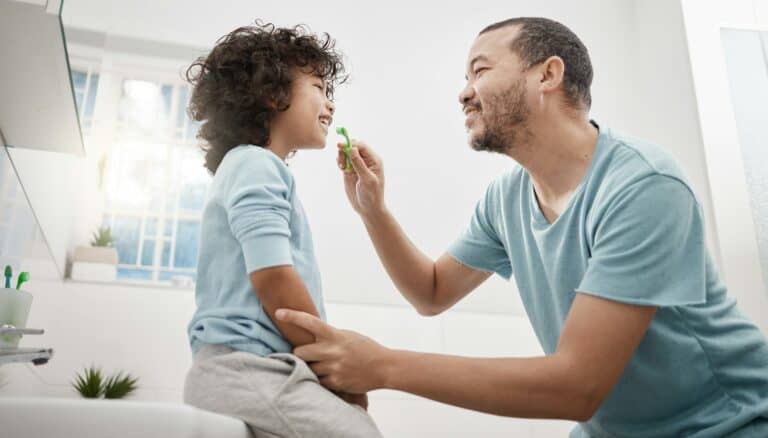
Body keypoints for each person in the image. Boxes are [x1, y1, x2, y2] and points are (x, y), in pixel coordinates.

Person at [277, 17, 768, 437]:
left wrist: (383, 366)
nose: (463, 92)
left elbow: (577, 386)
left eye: (480, 71)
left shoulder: (643, 186)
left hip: (726, 425)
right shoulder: (506, 199)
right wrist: (373, 211)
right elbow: (431, 292)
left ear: (547, 75)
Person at [181, 21, 382, 438]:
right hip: (247, 369)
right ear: (273, 95)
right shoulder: (256, 164)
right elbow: (273, 277)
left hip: (254, 370)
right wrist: (331, 364)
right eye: (319, 88)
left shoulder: (249, 167)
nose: (330, 104)